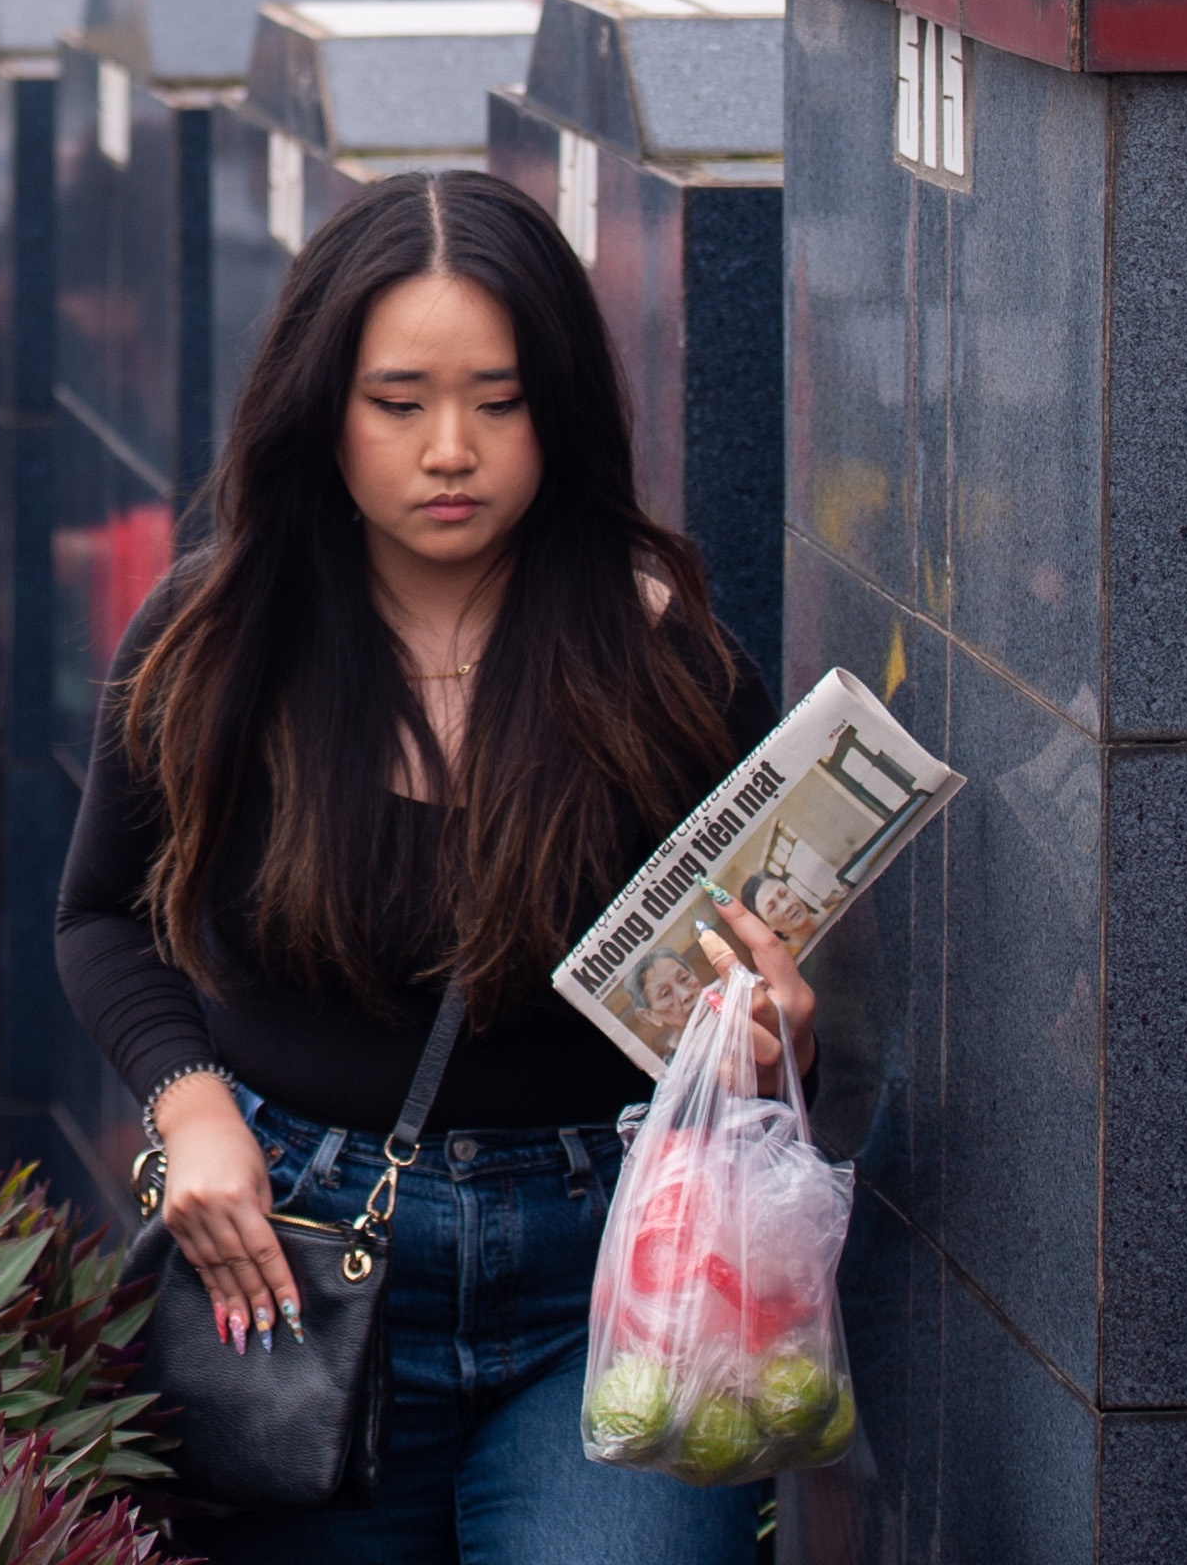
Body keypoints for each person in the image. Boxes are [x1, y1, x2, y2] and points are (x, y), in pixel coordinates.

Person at [56, 170, 819, 1564]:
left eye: (500, 400)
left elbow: (744, 981)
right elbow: (100, 916)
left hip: (613, 1274)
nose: (450, 449)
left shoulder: (660, 656)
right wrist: (189, 1107)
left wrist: (767, 1040)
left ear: (560, 411)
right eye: (399, 404)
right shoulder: (216, 638)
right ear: (320, 408)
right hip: (298, 1260)